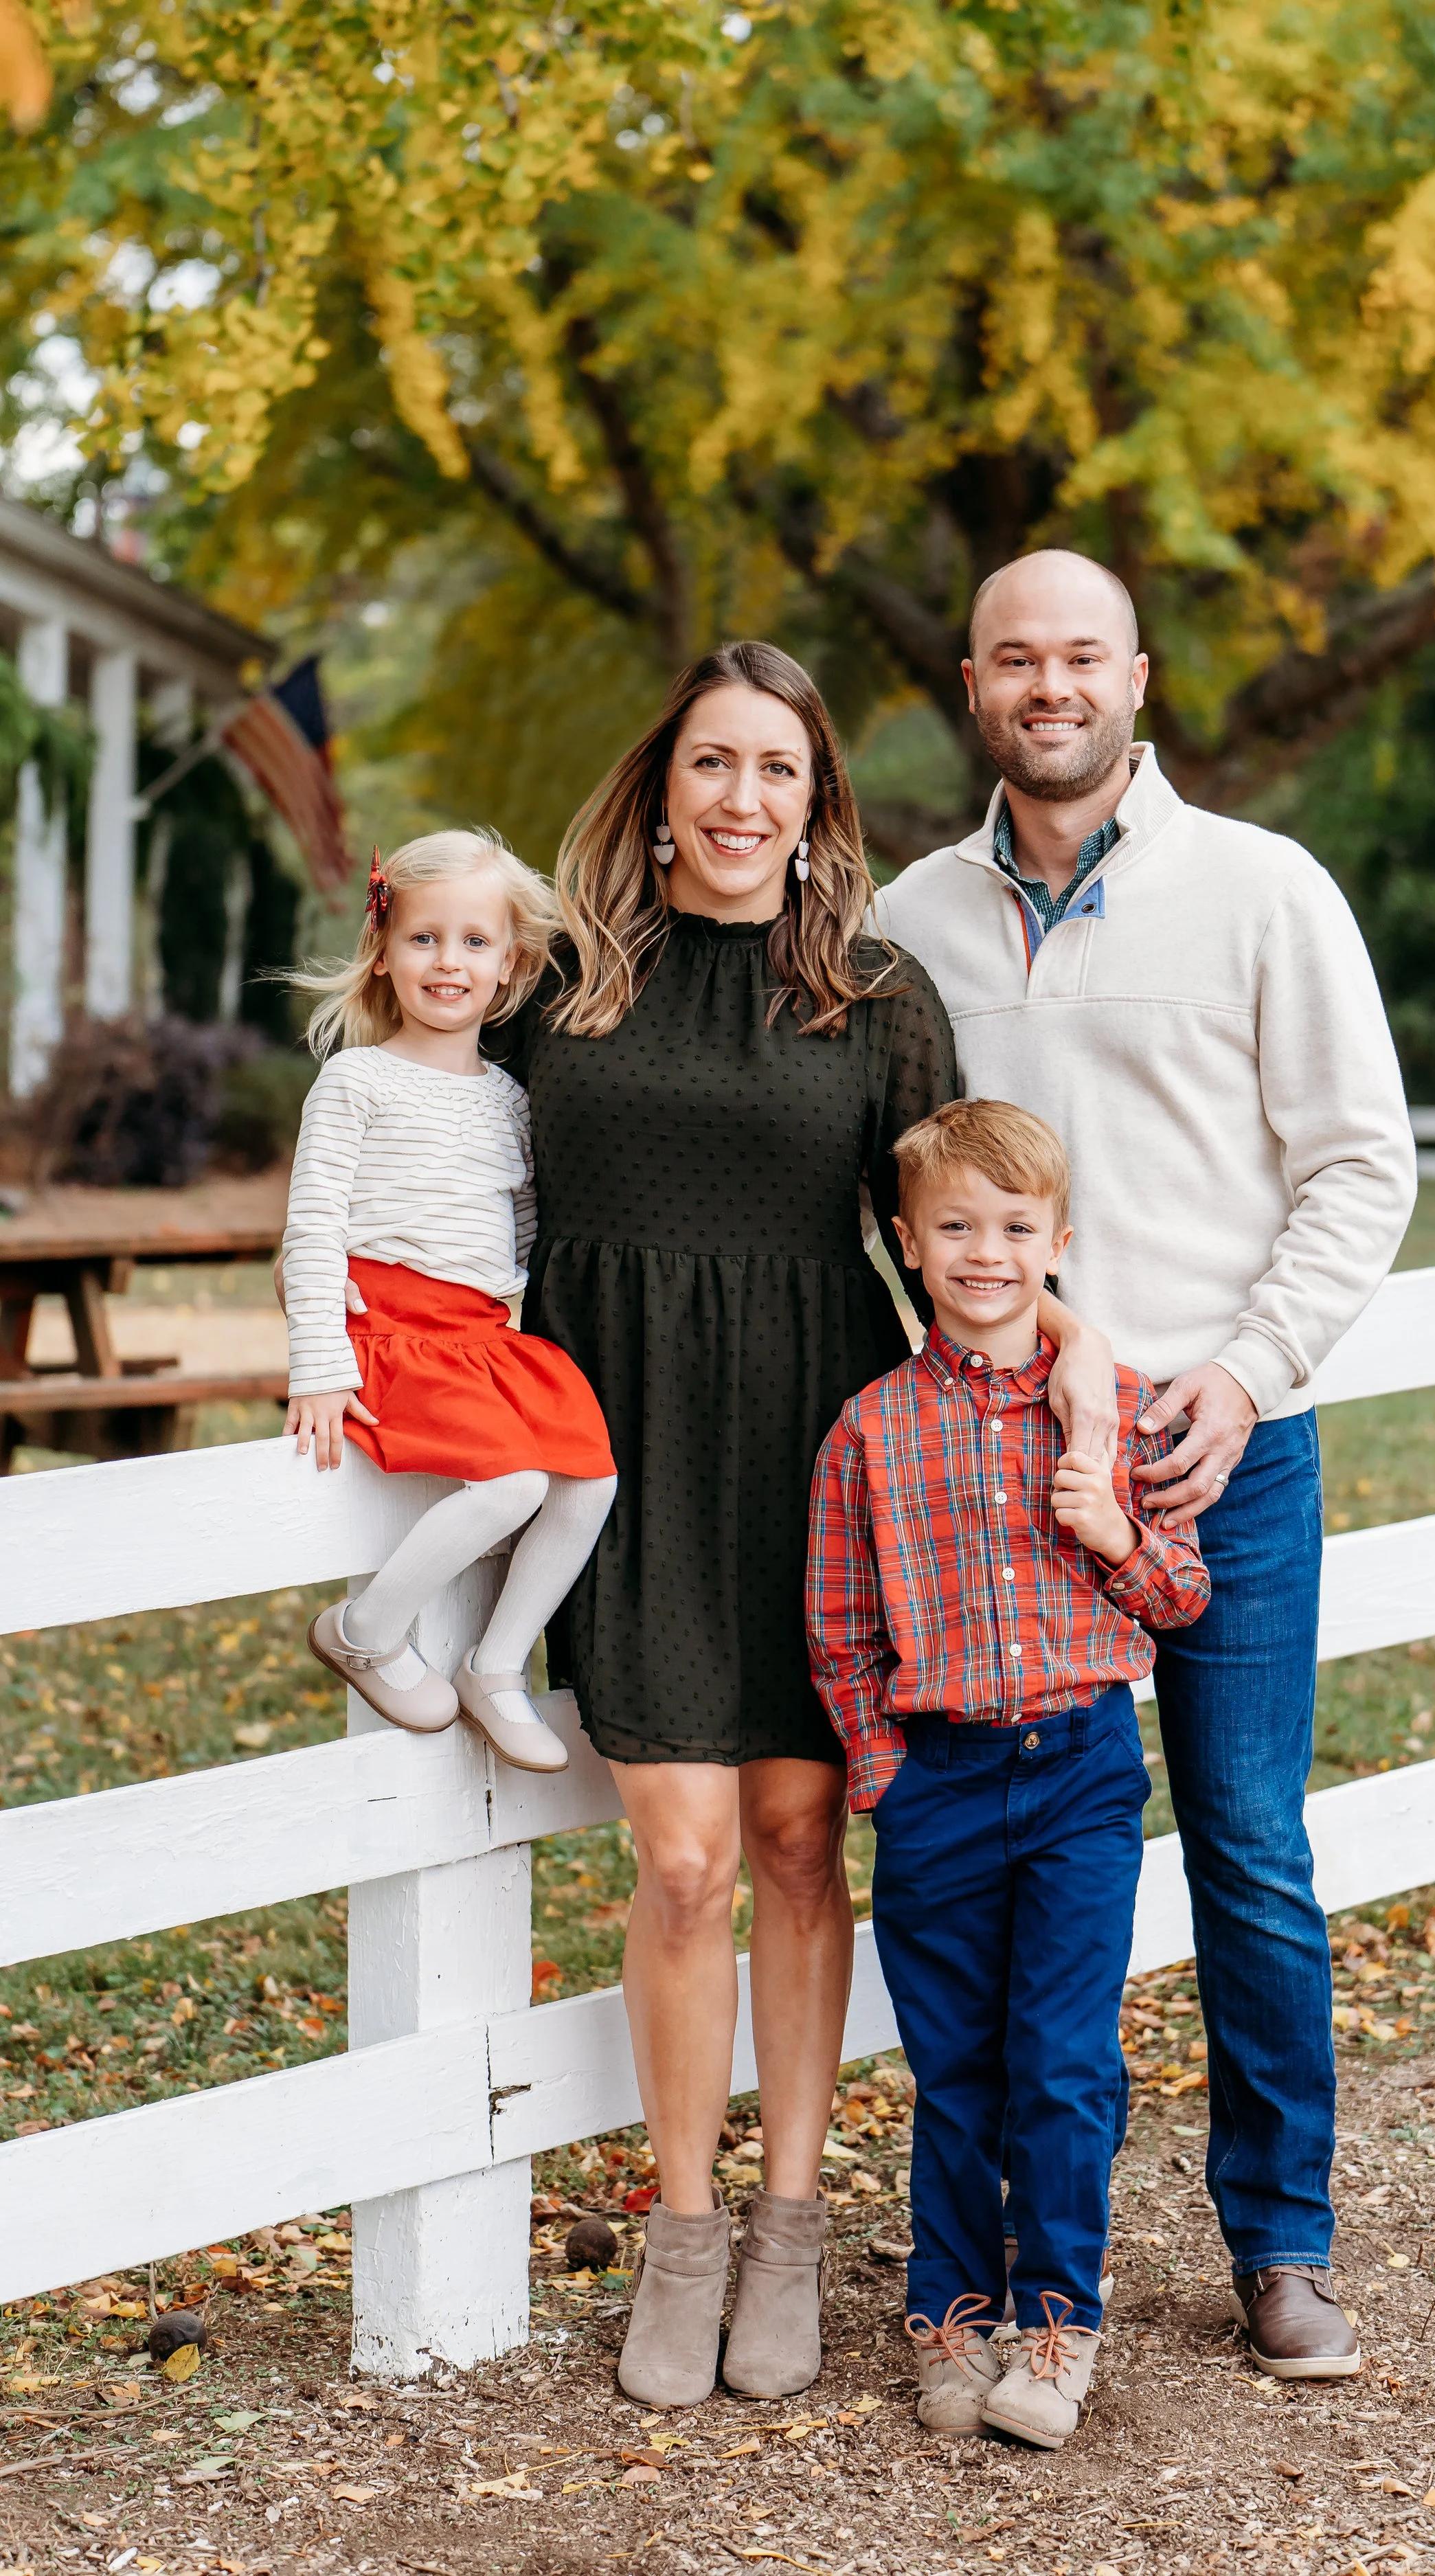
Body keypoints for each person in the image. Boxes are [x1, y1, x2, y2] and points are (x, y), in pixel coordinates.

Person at [486, 642, 1117, 2410]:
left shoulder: (870, 990)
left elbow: (967, 1227)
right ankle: (678, 2239)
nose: (741, 798)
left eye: (777, 768)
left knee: (789, 1850)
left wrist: (1077, 1358)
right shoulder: (562, 985)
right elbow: (453, 1173)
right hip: (619, 1454)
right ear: (662, 787)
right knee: (679, 1861)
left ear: (816, 801)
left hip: (818, 1460)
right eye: (711, 764)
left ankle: (784, 2232)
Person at [874, 552, 1418, 2380]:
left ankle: (1280, 2241)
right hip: (994, 1482)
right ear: (972, 682)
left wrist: (1247, 1376)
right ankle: (1022, 2260)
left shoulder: (1261, 889)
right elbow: (880, 1186)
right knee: (1018, 1865)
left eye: (1079, 655)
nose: (1050, 684)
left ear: (1137, 674)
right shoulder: (907, 923)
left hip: (1220, 1450)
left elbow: (1361, 1161)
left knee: (1246, 1844)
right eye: (1015, 657)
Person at [806, 1098, 1209, 2449]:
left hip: (1080, 1769)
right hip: (941, 1783)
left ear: (1059, 1238)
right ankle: (951, 2313)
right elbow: (837, 1627)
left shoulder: (1115, 1408)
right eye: (956, 1228)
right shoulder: (867, 1431)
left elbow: (1180, 1593)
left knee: (1058, 2057)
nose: (986, 1252)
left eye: (1015, 1227)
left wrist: (1109, 1533)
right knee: (954, 2065)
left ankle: (1056, 2322)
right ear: (908, 1244)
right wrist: (881, 1776)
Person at [280, 830, 617, 1774]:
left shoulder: (509, 1098)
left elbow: (514, 1231)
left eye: (475, 942)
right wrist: (319, 1357)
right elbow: (310, 1230)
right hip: (387, 1330)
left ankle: (496, 1663)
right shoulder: (356, 1081)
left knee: (590, 1475)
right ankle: (363, 1629)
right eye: (426, 939)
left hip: (479, 1333)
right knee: (511, 1481)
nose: (448, 961)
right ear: (385, 952)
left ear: (509, 965)